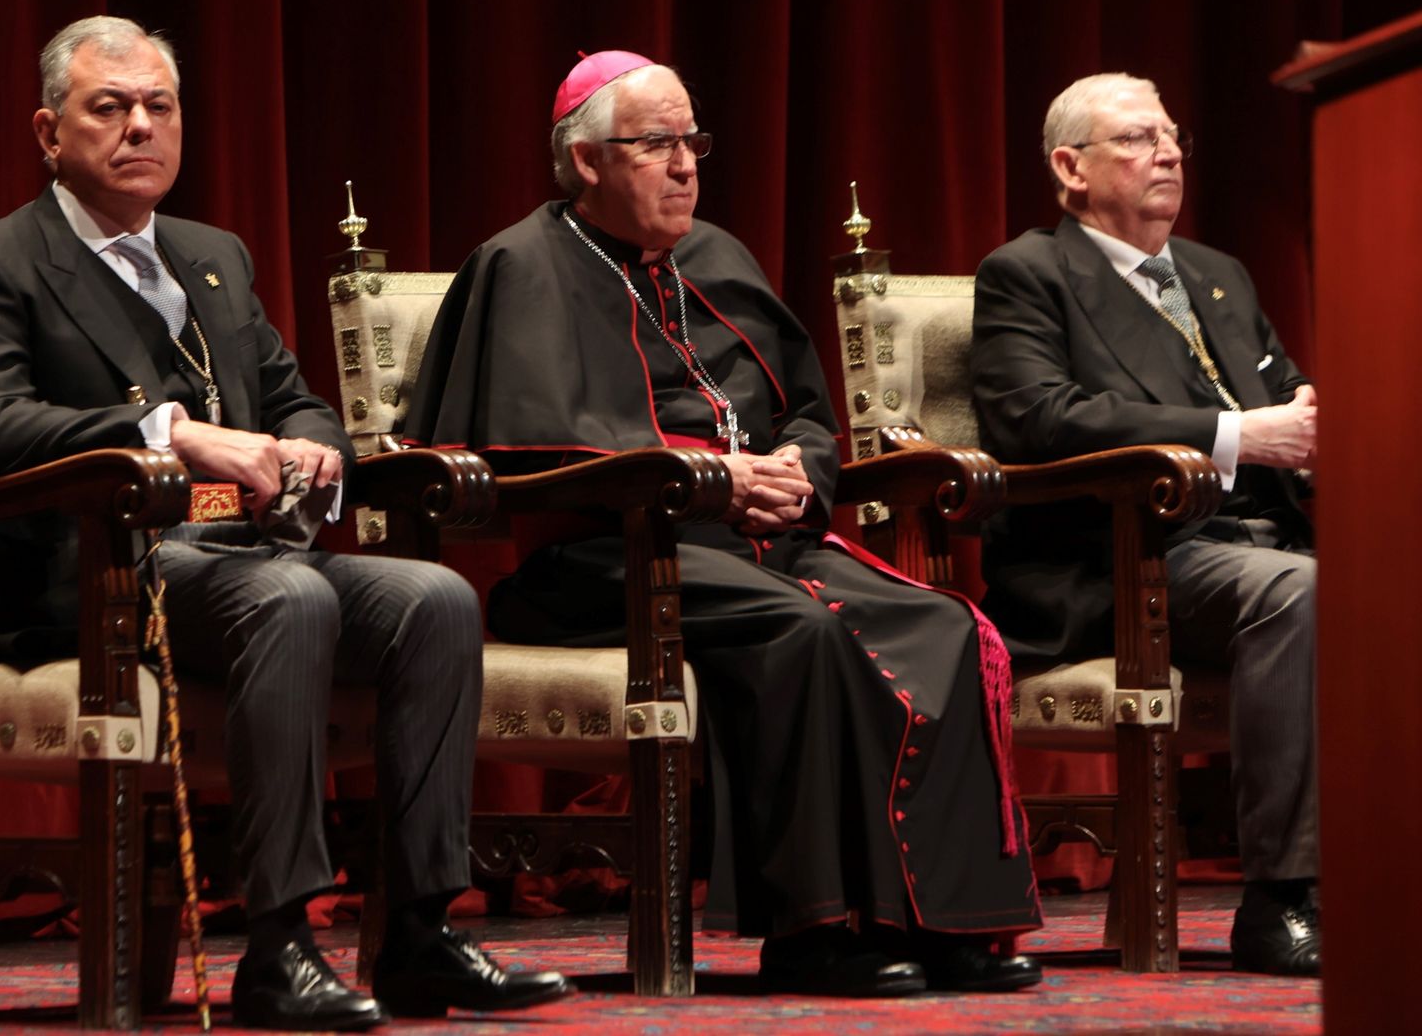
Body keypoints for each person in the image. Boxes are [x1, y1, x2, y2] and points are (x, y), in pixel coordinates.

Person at [0, 16, 571, 1029]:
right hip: (102, 571)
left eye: (159, 106)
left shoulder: (211, 252)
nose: (140, 125)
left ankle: (417, 929)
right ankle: (279, 944)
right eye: (110, 108)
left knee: (434, 598)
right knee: (288, 596)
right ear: (50, 133)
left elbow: (291, 395)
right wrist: (173, 432)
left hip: (243, 550)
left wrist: (316, 446)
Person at [406, 51, 1043, 997]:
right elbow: (522, 457)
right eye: (656, 144)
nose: (685, 165)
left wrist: (797, 471)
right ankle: (812, 930)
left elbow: (808, 411)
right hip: (608, 560)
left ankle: (942, 920)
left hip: (762, 545)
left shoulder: (718, 254)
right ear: (586, 160)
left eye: (692, 141)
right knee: (804, 632)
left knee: (946, 626)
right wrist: (710, 485)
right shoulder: (520, 266)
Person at [971, 72, 1319, 977]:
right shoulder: (1029, 274)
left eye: (1170, 137)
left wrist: (1311, 437)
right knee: (1300, 595)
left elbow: (1283, 397)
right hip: (1131, 557)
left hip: (1262, 538)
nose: (1166, 152)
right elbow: (1040, 420)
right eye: (1135, 139)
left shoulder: (1217, 275)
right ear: (1069, 167)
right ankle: (1284, 897)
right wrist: (1243, 435)